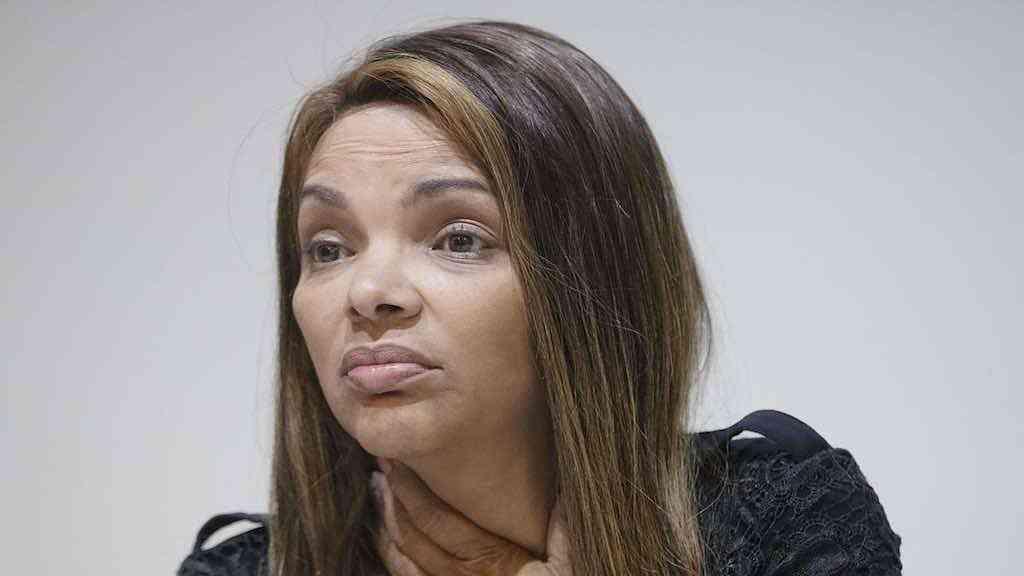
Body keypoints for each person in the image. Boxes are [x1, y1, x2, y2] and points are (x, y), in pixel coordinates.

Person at [176, 20, 902, 576]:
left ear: (593, 278)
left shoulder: (788, 523)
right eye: (329, 248)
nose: (368, 292)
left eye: (459, 238)